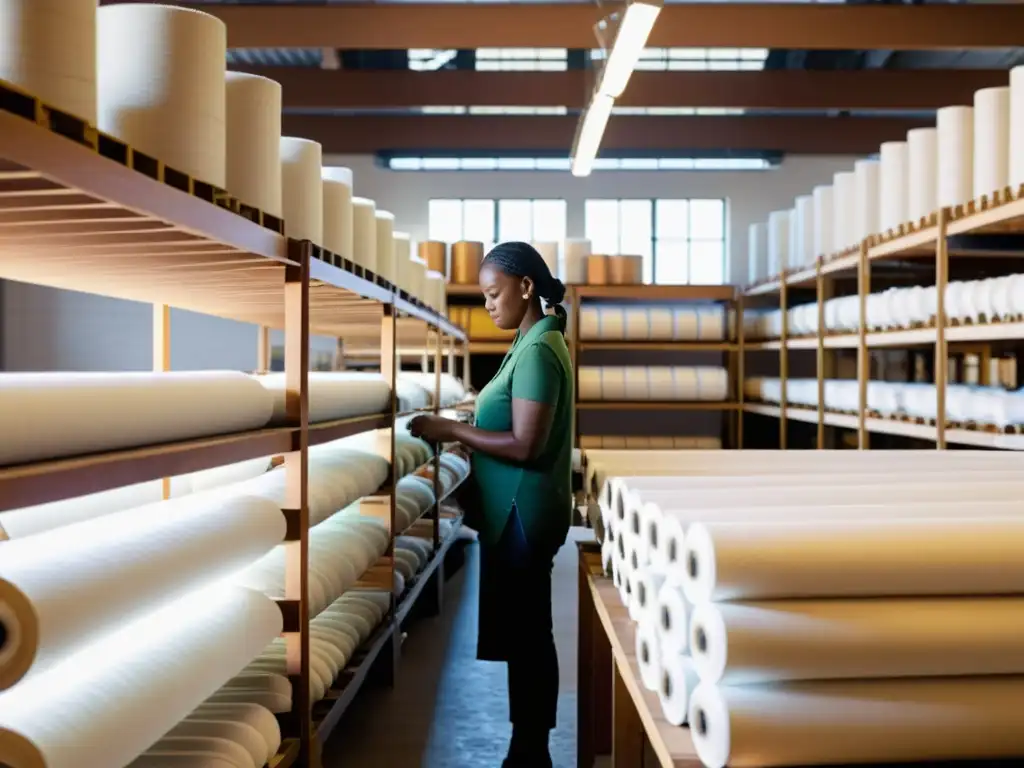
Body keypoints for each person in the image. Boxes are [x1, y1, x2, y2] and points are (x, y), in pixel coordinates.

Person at [409, 241, 574, 768]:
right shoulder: (526, 344)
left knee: (529, 634)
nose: (488, 305)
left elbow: (526, 444)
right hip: (514, 511)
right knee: (526, 631)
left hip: (523, 513)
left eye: (493, 293)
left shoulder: (541, 352)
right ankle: (526, 744)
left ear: (526, 287)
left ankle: (532, 750)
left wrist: (452, 428)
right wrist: (472, 432)